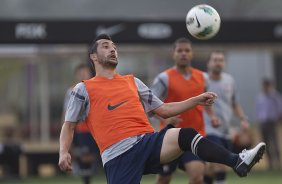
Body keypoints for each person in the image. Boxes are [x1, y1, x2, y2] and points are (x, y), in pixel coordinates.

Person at [58, 34, 266, 184]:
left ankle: (237, 160)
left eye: (114, 46)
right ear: (93, 57)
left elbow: (164, 110)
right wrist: (64, 151)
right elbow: (69, 125)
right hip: (118, 155)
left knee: (185, 136)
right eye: (105, 46)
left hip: (147, 142)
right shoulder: (83, 88)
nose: (112, 49)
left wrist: (196, 100)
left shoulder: (133, 81)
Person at [151, 38, 216, 184]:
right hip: (169, 137)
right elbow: (149, 105)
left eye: (187, 50)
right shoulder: (164, 78)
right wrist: (164, 119)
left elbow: (206, 102)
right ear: (173, 54)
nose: (183, 54)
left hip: (195, 135)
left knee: (198, 177)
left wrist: (212, 116)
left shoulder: (203, 78)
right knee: (164, 178)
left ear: (192, 54)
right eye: (179, 50)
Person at [203, 51, 250, 184]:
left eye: (221, 60)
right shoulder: (202, 79)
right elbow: (201, 104)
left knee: (211, 168)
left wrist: (243, 119)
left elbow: (234, 103)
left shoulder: (229, 80)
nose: (218, 63)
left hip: (226, 131)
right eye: (215, 60)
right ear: (208, 63)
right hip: (209, 129)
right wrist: (211, 116)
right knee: (220, 164)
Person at [63, 63, 100, 184]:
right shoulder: (71, 91)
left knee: (92, 157)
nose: (83, 74)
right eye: (80, 72)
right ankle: (86, 179)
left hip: (95, 129)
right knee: (85, 157)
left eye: (85, 72)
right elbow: (66, 113)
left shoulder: (97, 89)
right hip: (81, 130)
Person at [255, 78, 282, 170]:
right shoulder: (260, 96)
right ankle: (270, 164)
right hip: (263, 122)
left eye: (266, 86)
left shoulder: (275, 96)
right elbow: (258, 110)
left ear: (269, 86)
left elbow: (280, 108)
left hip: (272, 122)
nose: (265, 87)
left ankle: (278, 163)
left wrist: (278, 119)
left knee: (274, 143)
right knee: (265, 144)